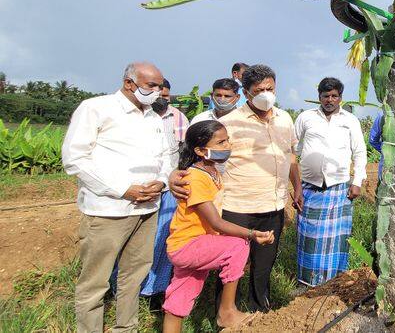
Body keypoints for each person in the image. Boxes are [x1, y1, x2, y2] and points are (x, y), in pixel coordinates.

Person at [169, 64, 301, 312]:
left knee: (264, 266)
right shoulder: (228, 123)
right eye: (258, 89)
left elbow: (291, 156)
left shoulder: (285, 119)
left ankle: (260, 312)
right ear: (247, 92)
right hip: (237, 206)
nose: (265, 93)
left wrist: (298, 188)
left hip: (273, 205)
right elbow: (204, 159)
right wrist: (174, 175)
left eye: (270, 88)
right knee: (232, 266)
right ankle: (226, 314)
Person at [62, 62, 171, 332]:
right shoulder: (95, 108)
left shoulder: (154, 119)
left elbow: (167, 158)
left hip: (147, 210)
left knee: (134, 276)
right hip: (108, 210)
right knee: (95, 281)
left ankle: (127, 327)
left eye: (159, 86)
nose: (157, 92)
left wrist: (162, 181)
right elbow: (75, 159)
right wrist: (123, 189)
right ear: (129, 83)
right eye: (151, 86)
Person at [162, 120, 274, 332]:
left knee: (178, 299)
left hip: (191, 245)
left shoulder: (212, 172)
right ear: (200, 150)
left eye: (227, 140)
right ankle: (227, 312)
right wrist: (251, 233)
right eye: (221, 142)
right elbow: (215, 222)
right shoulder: (195, 177)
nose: (227, 146)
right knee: (239, 244)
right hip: (190, 244)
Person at [293, 77, 367, 286]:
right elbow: (293, 150)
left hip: (339, 188)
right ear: (319, 97)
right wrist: (294, 184)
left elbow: (360, 153)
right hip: (310, 187)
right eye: (326, 96)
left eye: (334, 96)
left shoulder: (350, 120)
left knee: (336, 239)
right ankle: (306, 281)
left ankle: (335, 280)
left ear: (340, 98)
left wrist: (358, 180)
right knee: (309, 237)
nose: (330, 100)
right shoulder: (306, 118)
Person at [136, 79, 188, 299]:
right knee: (137, 240)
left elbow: (182, 151)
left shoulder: (178, 117)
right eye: (156, 94)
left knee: (163, 237)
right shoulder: (137, 117)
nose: (161, 99)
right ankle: (126, 287)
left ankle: (156, 288)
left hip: (168, 187)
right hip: (139, 188)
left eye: (165, 96)